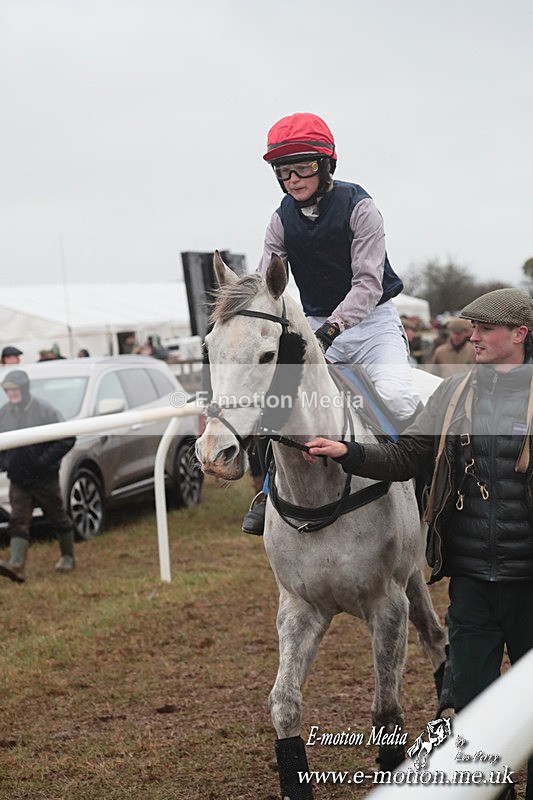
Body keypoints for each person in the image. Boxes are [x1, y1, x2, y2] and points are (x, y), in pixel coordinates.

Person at [303, 288, 533, 800]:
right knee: (473, 714)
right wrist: (349, 451)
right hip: (471, 584)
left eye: (485, 328)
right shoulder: (451, 396)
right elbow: (407, 457)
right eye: (470, 327)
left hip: (530, 584)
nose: (472, 336)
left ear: (519, 334)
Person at [242, 111, 421, 534]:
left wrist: (330, 330)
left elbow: (367, 284)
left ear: (326, 165)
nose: (292, 178)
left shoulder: (361, 208)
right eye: (283, 171)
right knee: (280, 402)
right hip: (318, 322)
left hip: (372, 322)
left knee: (395, 396)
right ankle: (268, 489)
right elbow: (268, 282)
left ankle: (427, 484)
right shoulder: (280, 219)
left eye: (302, 166)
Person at [0, 370, 76, 583]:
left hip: (45, 478)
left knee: (57, 516)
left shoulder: (45, 410)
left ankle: (68, 556)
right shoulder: (3, 414)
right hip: (19, 479)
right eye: (8, 390)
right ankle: (16, 566)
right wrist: (5, 463)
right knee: (18, 520)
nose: (12, 393)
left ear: (24, 389)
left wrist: (43, 461)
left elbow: (67, 437)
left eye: (15, 389)